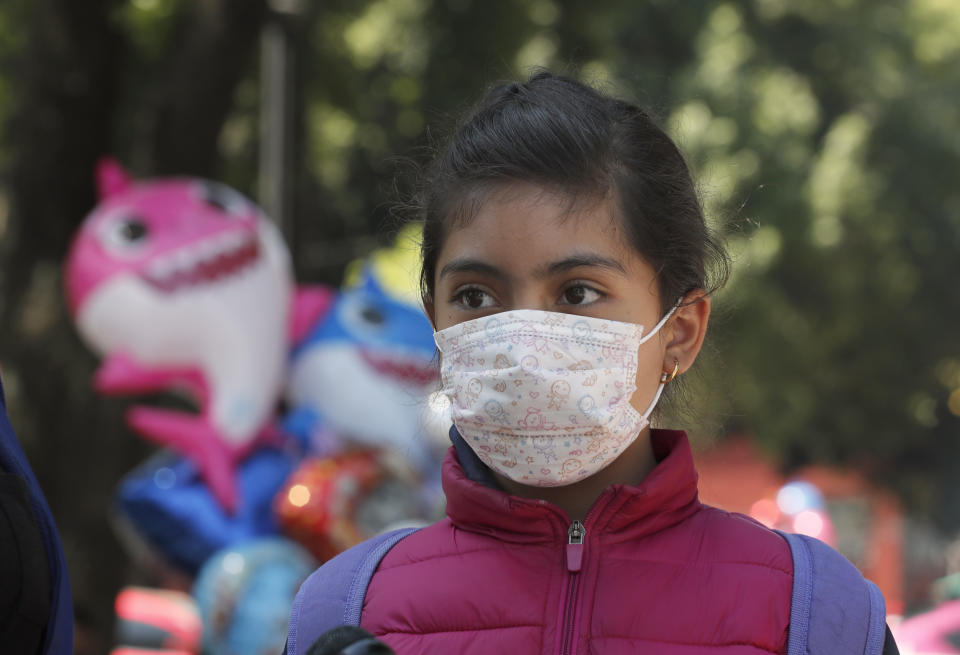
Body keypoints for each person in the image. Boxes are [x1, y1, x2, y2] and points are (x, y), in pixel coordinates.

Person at [289, 71, 898, 654]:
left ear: (680, 333)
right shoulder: (346, 613)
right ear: (435, 322)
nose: (524, 343)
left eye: (577, 292)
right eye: (476, 296)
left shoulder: (815, 619)